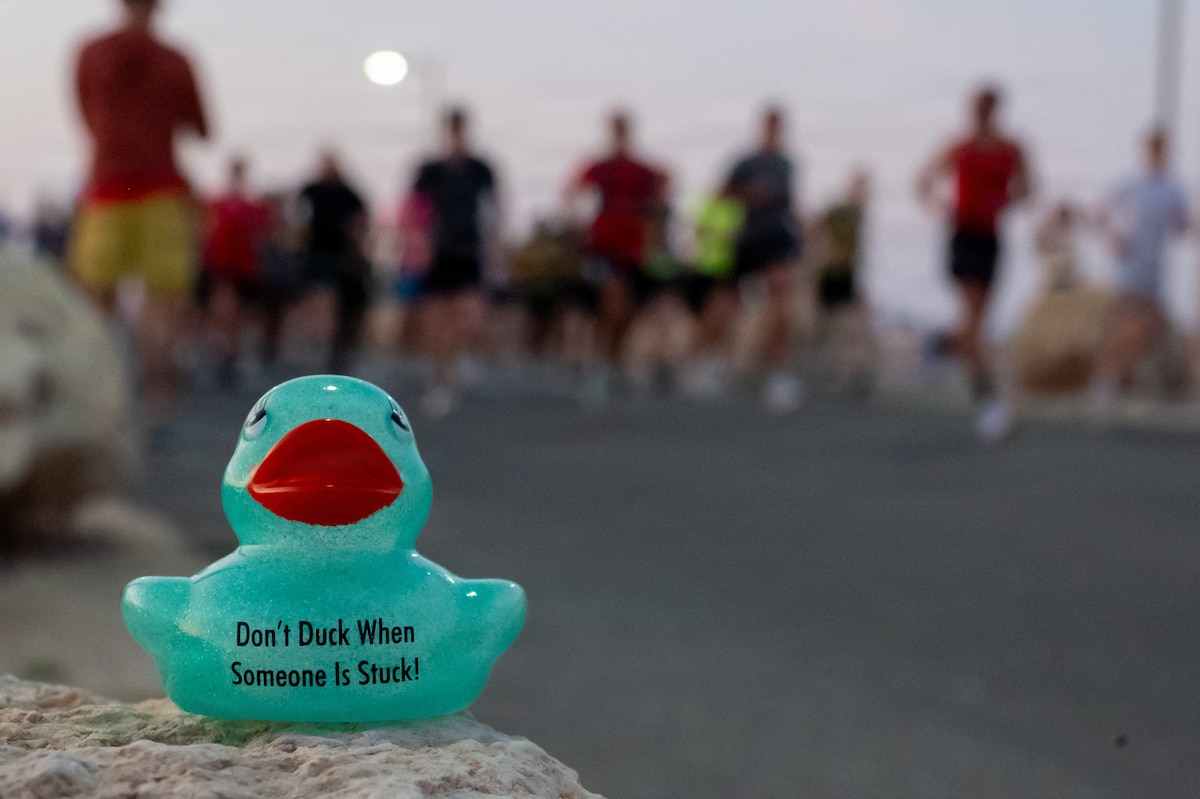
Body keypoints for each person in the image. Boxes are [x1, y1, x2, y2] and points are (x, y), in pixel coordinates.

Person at [68, 0, 209, 444]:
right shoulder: (175, 59)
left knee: (95, 301)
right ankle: (158, 407)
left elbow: (85, 115)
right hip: (161, 190)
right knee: (162, 305)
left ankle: (94, 408)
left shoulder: (90, 52)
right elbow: (201, 127)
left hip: (107, 187)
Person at [917, 85, 1032, 440]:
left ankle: (939, 343)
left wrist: (1003, 202)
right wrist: (942, 208)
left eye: (988, 107)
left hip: (991, 239)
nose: (983, 113)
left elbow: (1028, 188)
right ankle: (989, 405)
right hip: (963, 236)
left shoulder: (1012, 148)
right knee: (972, 326)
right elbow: (923, 182)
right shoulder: (958, 146)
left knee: (978, 327)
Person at [565, 110, 667, 406]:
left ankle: (612, 364)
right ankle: (599, 367)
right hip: (603, 248)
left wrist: (654, 233)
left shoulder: (641, 169)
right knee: (613, 305)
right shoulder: (600, 167)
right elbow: (572, 191)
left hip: (634, 250)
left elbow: (662, 189)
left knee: (627, 315)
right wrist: (578, 227)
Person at [1089, 129, 1188, 421]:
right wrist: (1112, 238)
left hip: (1155, 270)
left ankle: (1110, 378)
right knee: (1135, 325)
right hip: (1132, 267)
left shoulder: (1173, 189)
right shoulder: (1131, 184)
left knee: (1147, 328)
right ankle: (1107, 381)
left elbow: (1181, 226)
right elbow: (1097, 212)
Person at [409, 107, 499, 418]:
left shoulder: (480, 169)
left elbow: (492, 210)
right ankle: (440, 379)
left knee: (471, 319)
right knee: (437, 322)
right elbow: (416, 209)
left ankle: (457, 365)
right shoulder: (430, 170)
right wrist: (419, 245)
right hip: (438, 253)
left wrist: (493, 249)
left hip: (469, 252)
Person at [725, 106, 805, 413]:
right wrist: (749, 194)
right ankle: (720, 361)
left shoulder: (787, 163)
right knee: (729, 305)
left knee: (782, 303)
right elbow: (723, 195)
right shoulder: (745, 162)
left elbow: (790, 204)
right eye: (771, 125)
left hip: (777, 240)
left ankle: (777, 372)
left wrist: (799, 233)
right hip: (747, 238)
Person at [199, 157, 269, 387]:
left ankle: (230, 356)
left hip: (241, 267)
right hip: (224, 266)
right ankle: (225, 355)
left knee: (238, 315)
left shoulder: (246, 204)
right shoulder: (221, 203)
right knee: (226, 312)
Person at [298, 151, 370, 373]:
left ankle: (335, 351)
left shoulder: (348, 194)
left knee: (342, 308)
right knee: (324, 303)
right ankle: (324, 350)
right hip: (318, 256)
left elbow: (361, 220)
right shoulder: (310, 191)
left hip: (341, 258)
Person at [815, 170, 873, 395]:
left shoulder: (856, 213)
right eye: (860, 187)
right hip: (833, 273)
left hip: (843, 275)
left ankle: (851, 372)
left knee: (846, 325)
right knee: (837, 325)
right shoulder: (844, 211)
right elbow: (817, 226)